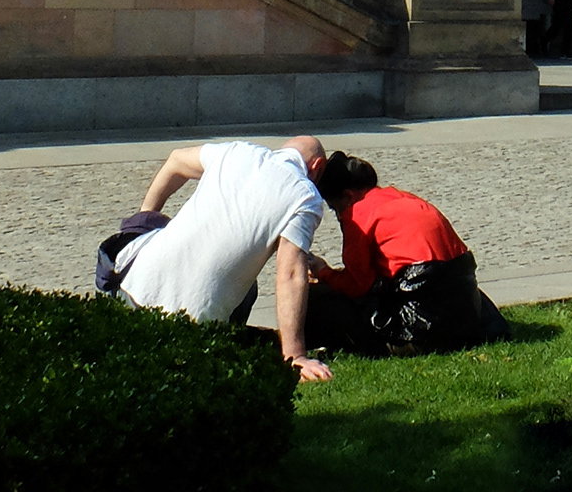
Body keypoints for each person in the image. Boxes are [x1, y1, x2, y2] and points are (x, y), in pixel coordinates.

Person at [113, 135, 333, 382]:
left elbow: (176, 160)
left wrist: (145, 217)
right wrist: (295, 356)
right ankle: (220, 342)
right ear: (316, 166)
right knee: (246, 286)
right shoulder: (305, 196)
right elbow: (290, 275)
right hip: (188, 327)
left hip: (130, 287)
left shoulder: (236, 151)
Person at [305, 153, 503, 354]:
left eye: (335, 209)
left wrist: (323, 272)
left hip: (421, 332)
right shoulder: (405, 198)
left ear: (348, 197)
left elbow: (357, 286)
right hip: (467, 318)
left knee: (319, 299)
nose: (339, 216)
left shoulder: (358, 214)